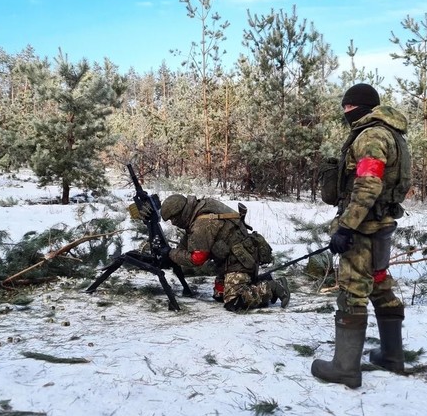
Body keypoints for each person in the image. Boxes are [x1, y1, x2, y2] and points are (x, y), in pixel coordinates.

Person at [311, 83, 411, 388]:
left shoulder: (371, 136)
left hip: (364, 228)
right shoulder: (393, 134)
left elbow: (368, 184)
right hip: (382, 225)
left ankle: (345, 368)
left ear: (355, 106)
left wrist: (346, 226)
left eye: (346, 107)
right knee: (379, 283)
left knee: (353, 291)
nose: (344, 113)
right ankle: (392, 356)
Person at [156, 194, 290, 311]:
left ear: (181, 213)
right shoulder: (202, 207)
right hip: (234, 257)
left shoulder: (201, 224)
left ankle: (273, 288)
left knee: (233, 301)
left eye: (174, 218)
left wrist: (170, 254)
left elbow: (197, 259)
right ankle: (260, 281)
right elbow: (188, 240)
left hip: (240, 260)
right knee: (219, 294)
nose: (173, 223)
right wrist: (174, 252)